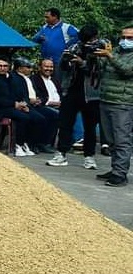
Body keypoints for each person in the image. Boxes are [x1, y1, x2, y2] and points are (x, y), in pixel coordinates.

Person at [46, 24, 107, 169]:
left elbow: (100, 70)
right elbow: (63, 68)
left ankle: (89, 156)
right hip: (71, 90)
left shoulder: (101, 49)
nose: (89, 42)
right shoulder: (74, 47)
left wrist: (82, 63)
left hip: (91, 93)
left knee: (90, 127)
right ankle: (61, 153)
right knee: (65, 124)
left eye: (91, 39)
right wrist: (66, 60)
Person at [95, 25, 133, 187]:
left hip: (123, 102)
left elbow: (127, 70)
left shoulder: (114, 54)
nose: (125, 40)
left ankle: (120, 174)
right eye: (123, 37)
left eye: (130, 38)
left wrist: (109, 56)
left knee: (122, 139)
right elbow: (101, 69)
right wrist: (96, 57)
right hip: (106, 99)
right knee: (111, 140)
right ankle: (115, 168)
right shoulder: (115, 51)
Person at [0, 57, 43, 156]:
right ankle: (18, 145)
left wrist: (23, 105)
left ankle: (27, 143)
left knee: (36, 117)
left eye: (5, 66)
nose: (2, 68)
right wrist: (14, 104)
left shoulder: (12, 78)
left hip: (13, 106)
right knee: (23, 117)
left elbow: (18, 94)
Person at [11, 58, 54, 154]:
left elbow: (39, 93)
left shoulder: (30, 78)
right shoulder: (15, 78)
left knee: (53, 115)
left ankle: (44, 143)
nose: (30, 69)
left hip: (34, 104)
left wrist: (39, 100)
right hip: (23, 105)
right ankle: (31, 144)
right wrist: (27, 103)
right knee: (39, 118)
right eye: (28, 67)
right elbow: (18, 95)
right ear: (20, 68)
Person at [30, 58, 62, 153]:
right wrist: (51, 103)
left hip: (58, 105)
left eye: (51, 67)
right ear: (40, 67)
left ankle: (67, 143)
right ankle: (43, 143)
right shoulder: (34, 79)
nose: (49, 69)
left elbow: (60, 93)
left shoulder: (55, 80)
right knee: (54, 114)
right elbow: (38, 97)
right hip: (41, 106)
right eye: (46, 66)